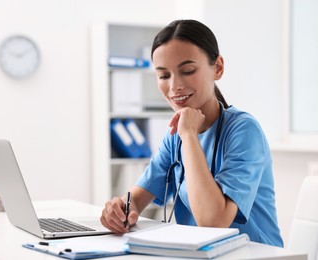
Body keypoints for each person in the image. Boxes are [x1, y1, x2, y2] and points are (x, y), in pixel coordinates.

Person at [100, 19, 284, 247]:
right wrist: (119, 210)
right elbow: (135, 200)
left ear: (217, 68)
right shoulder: (174, 138)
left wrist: (189, 135)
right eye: (164, 76)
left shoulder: (244, 131)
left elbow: (213, 222)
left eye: (187, 71)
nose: (174, 85)